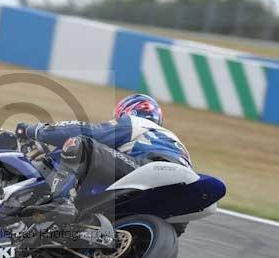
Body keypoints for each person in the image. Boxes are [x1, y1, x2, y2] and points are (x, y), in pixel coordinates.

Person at [15, 94, 191, 223]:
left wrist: (35, 131)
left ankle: (61, 202)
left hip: (150, 167)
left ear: (128, 111)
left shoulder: (136, 123)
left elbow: (90, 133)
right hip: (179, 191)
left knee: (79, 143)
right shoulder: (174, 142)